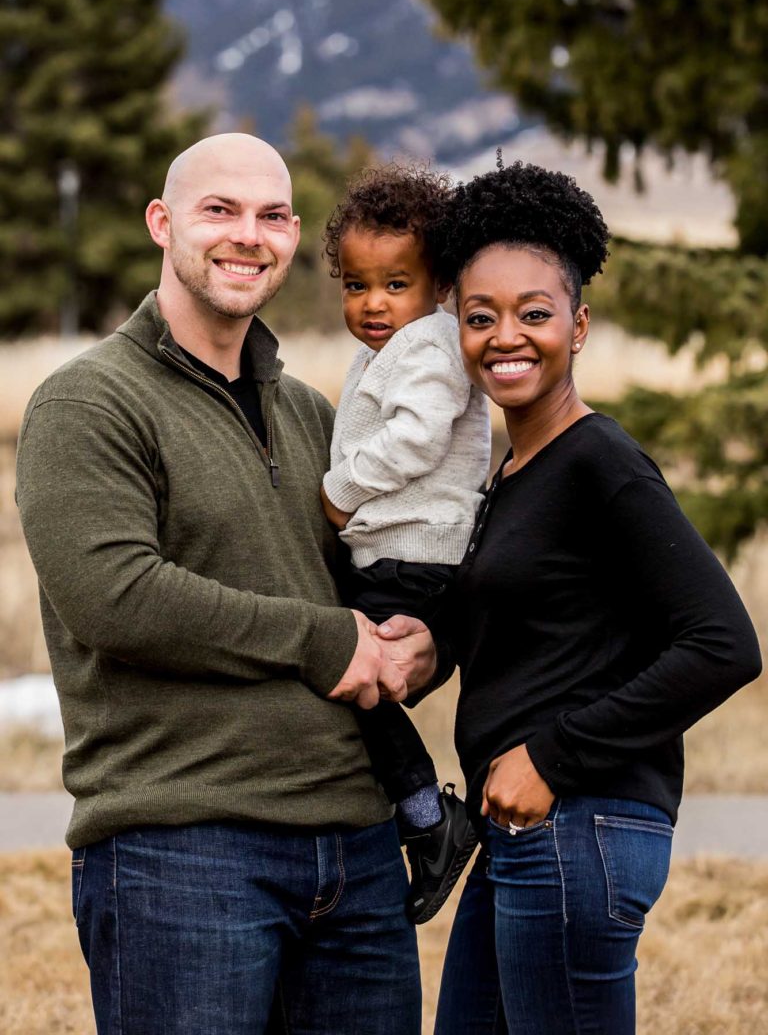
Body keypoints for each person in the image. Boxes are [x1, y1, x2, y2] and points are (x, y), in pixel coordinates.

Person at [15, 133, 436, 1035]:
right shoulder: (88, 402)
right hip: (185, 847)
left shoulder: (310, 409)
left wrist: (419, 640)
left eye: (274, 216)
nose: (251, 235)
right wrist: (328, 641)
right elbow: (115, 596)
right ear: (162, 224)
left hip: (355, 851)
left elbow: (364, 585)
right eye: (221, 210)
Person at [390, 159, 761, 1034]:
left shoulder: (602, 464)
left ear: (579, 326)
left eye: (534, 313)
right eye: (480, 317)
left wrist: (554, 755)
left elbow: (724, 644)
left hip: (577, 825)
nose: (505, 336)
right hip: (522, 833)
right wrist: (427, 644)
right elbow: (537, 623)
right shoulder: (518, 469)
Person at [320, 164, 491, 923]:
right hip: (395, 548)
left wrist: (339, 491)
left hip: (417, 553)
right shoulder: (390, 350)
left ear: (441, 286)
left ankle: (427, 816)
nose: (374, 303)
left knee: (346, 671)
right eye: (358, 285)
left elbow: (416, 438)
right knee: (345, 669)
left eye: (397, 283)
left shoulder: (431, 345)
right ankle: (412, 814)